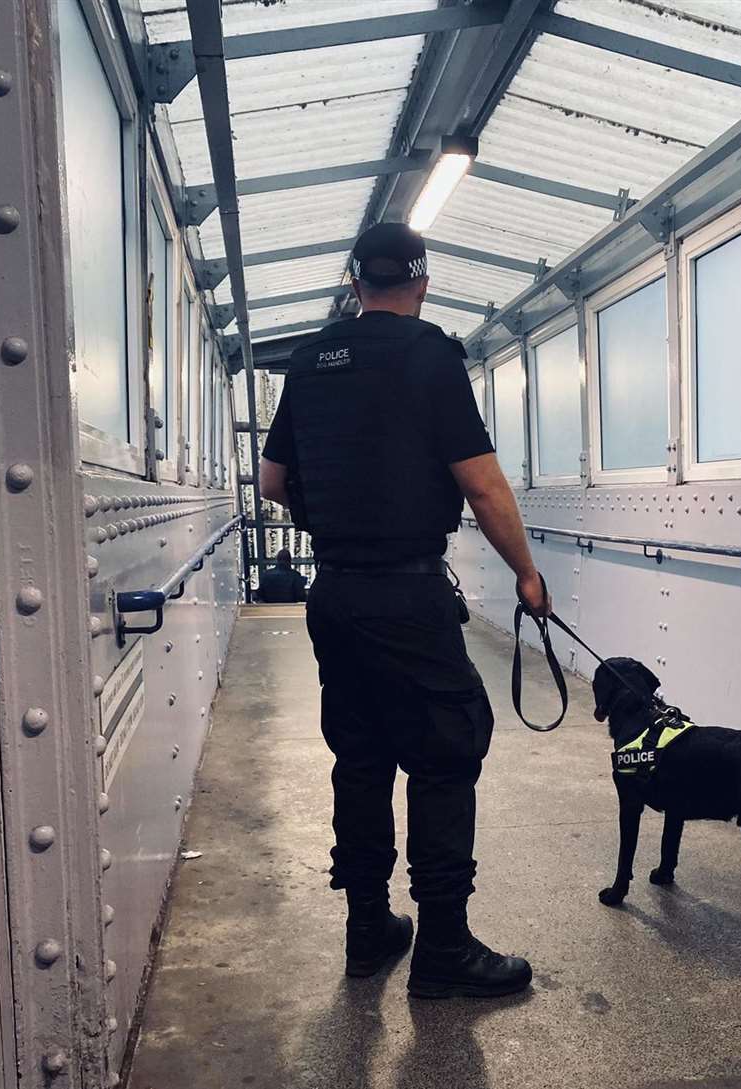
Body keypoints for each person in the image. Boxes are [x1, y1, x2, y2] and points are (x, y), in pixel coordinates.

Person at [259, 222, 550, 1000]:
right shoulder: (430, 356)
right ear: (421, 284)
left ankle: (368, 932)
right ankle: (443, 951)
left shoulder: (310, 360)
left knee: (361, 756)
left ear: (357, 284)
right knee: (445, 752)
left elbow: (272, 481)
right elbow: (483, 485)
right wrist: (526, 573)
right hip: (408, 593)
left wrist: (338, 521)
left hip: (336, 594)